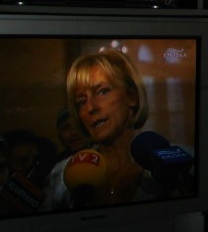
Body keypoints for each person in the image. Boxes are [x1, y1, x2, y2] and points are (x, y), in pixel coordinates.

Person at [42, 48, 159, 208]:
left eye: (102, 92)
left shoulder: (172, 163)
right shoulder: (61, 175)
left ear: (131, 97)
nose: (90, 108)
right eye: (81, 102)